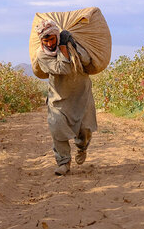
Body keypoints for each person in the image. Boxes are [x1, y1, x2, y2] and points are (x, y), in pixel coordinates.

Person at [35, 19, 98, 176]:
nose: (49, 44)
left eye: (52, 39)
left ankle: (82, 148)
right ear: (41, 41)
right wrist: (63, 48)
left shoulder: (72, 44)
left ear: (57, 35)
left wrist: (73, 46)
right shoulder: (42, 55)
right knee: (57, 128)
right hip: (59, 98)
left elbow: (86, 61)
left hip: (81, 95)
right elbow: (62, 68)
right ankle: (63, 162)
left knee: (85, 130)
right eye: (45, 40)